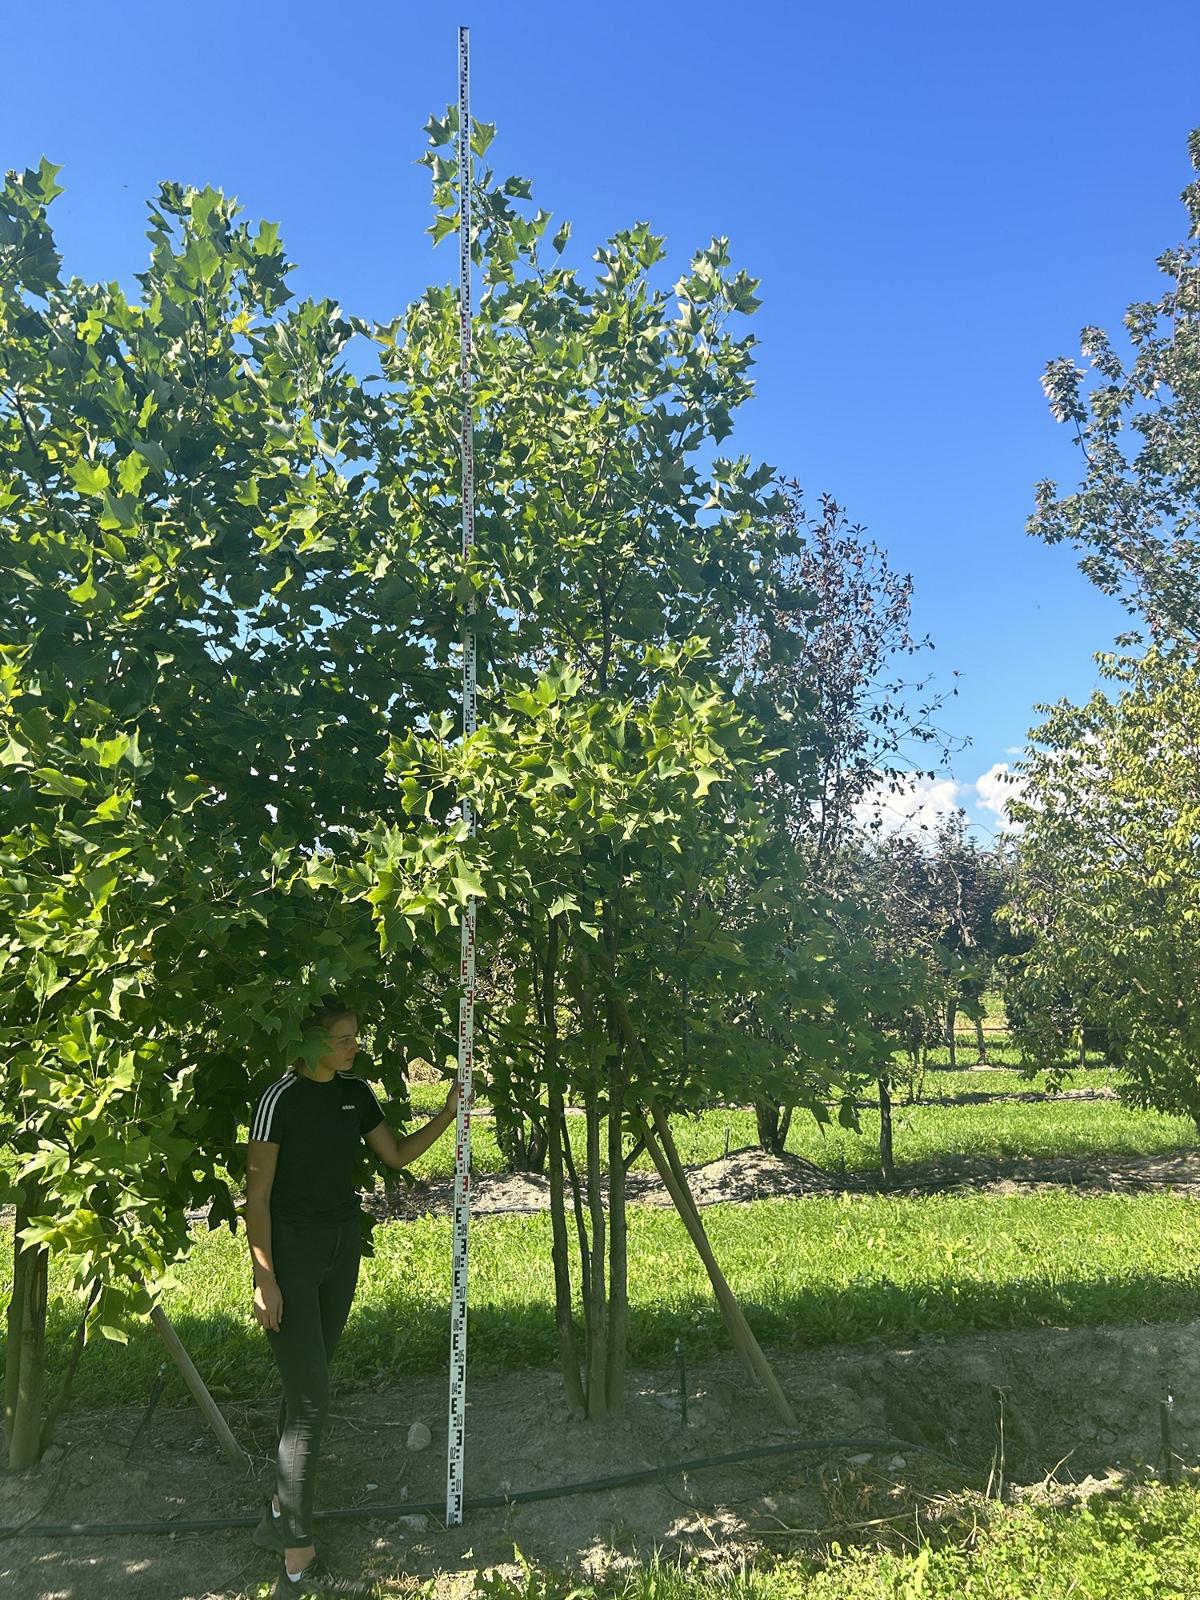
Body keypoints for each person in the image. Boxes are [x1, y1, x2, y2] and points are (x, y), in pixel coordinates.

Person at [245, 999, 459, 1597]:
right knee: (312, 1401)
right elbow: (256, 1196)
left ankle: (276, 1519)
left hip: (341, 1252)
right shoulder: (278, 1100)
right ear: (311, 1042)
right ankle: (297, 1560)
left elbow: (393, 1155)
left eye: (355, 1038)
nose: (353, 1047)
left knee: (305, 1389)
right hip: (289, 1256)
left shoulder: (357, 1093)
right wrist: (265, 1278)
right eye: (343, 1039)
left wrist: (446, 1115)